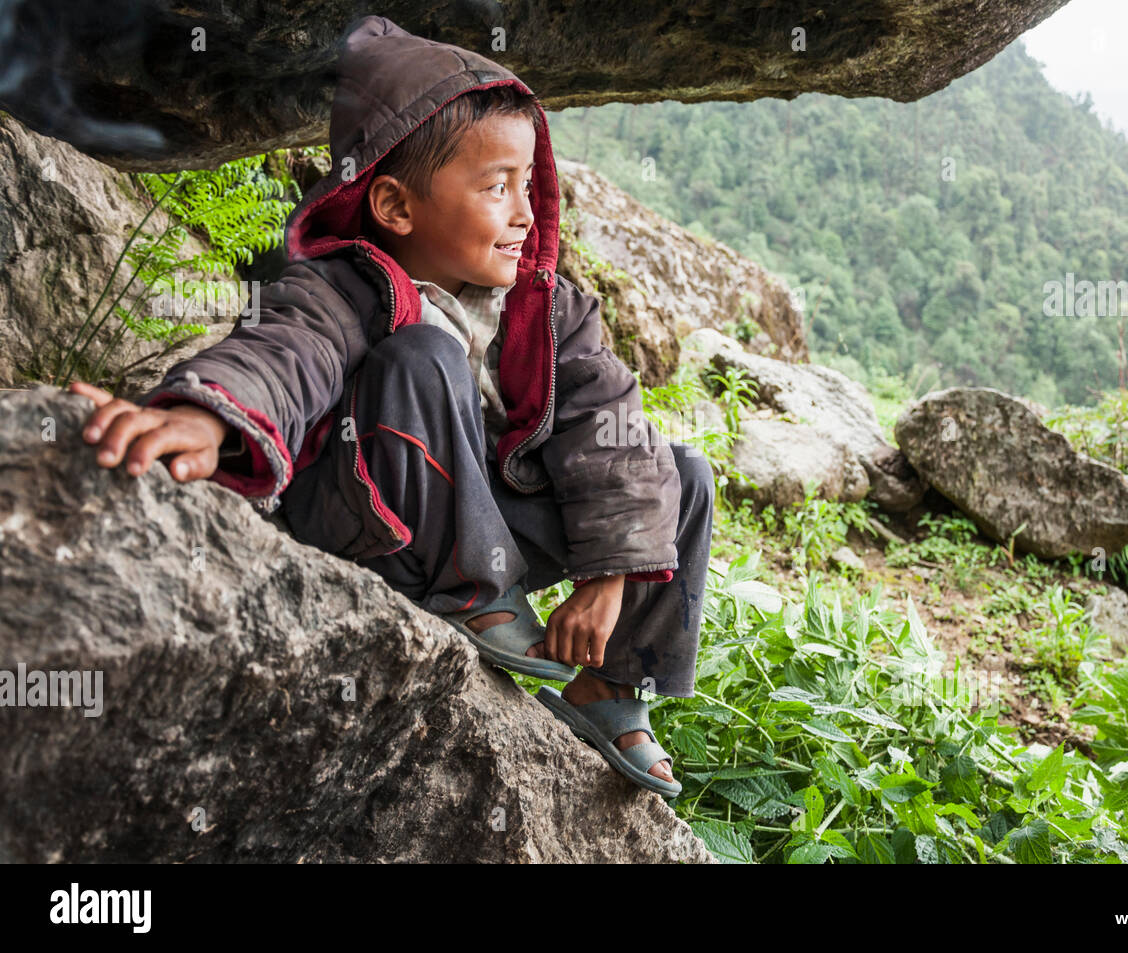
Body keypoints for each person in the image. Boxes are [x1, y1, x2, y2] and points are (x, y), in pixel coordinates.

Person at [69, 14, 713, 799]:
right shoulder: (344, 286)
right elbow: (285, 352)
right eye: (494, 188)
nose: (524, 213)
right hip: (382, 519)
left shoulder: (552, 312)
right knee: (424, 355)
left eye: (527, 184)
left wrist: (611, 573)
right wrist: (208, 416)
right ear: (396, 206)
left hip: (489, 523)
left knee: (680, 470)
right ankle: (466, 591)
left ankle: (612, 688)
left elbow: (610, 434)